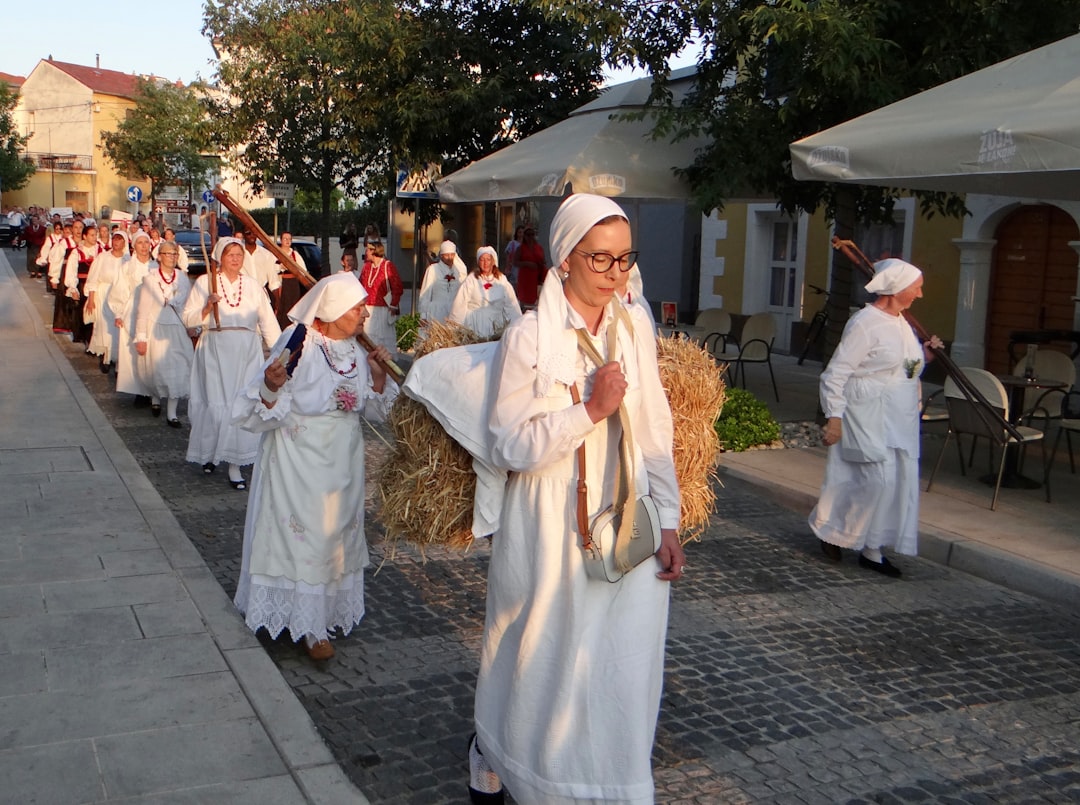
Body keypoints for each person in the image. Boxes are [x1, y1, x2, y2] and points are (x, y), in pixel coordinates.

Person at [469, 194, 684, 805]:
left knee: (621, 660)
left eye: (624, 259)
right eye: (601, 260)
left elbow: (654, 427)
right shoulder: (528, 337)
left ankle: (609, 785)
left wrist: (667, 520)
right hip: (550, 520)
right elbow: (509, 442)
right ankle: (521, 766)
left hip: (626, 513)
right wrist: (586, 411)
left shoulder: (634, 325)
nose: (617, 274)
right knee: (543, 651)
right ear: (565, 260)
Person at [231, 273, 398, 661]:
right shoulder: (299, 344)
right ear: (334, 309)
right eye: (357, 307)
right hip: (298, 462)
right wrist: (272, 387)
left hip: (343, 463)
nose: (364, 314)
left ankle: (320, 614)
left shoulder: (356, 351)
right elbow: (250, 409)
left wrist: (377, 377)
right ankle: (309, 626)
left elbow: (373, 410)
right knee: (307, 539)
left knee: (336, 538)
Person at [809, 259, 943, 577]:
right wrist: (834, 416)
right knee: (875, 480)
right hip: (865, 412)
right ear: (896, 289)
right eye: (917, 287)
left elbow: (904, 368)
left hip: (900, 417)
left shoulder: (902, 323)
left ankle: (872, 549)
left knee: (892, 482)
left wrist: (925, 356)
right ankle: (832, 529)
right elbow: (836, 373)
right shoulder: (865, 323)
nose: (920, 294)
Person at [182, 238, 281, 489]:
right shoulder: (206, 282)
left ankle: (235, 464)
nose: (236, 259)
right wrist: (206, 308)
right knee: (215, 405)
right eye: (230, 254)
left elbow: (267, 320)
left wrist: (279, 353)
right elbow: (187, 319)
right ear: (219, 257)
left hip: (246, 352)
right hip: (214, 349)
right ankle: (212, 453)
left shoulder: (253, 285)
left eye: (239, 254)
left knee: (241, 405)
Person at [134, 242, 195, 427]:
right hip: (156, 328)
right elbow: (142, 311)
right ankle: (155, 398)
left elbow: (187, 307)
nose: (172, 257)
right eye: (168, 254)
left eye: (175, 254)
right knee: (157, 367)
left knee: (178, 367)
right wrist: (141, 337)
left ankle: (172, 413)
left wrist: (193, 325)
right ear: (159, 256)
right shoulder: (150, 280)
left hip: (176, 328)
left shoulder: (183, 279)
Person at [449, 246, 522, 336]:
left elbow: (511, 305)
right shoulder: (472, 279)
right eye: (482, 259)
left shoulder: (501, 280)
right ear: (478, 262)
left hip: (496, 327)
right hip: (474, 326)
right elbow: (460, 303)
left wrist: (518, 326)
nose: (485, 263)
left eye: (488, 259)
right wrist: (454, 328)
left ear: (493, 261)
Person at [85, 230, 128, 374]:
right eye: (114, 239)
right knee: (105, 327)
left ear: (124, 242)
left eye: (120, 239)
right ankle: (106, 358)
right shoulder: (102, 257)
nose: (116, 242)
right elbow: (93, 279)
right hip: (103, 296)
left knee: (119, 330)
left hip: (121, 297)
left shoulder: (128, 259)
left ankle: (118, 361)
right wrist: (91, 300)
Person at [62, 224, 105, 346]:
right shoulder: (77, 252)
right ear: (85, 236)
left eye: (95, 235)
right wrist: (73, 288)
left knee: (96, 311)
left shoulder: (101, 251)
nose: (94, 237)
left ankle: (93, 339)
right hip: (82, 284)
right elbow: (71, 271)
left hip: (97, 286)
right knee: (83, 312)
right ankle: (84, 337)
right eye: (91, 235)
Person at [358, 239, 403, 353]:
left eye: (367, 250)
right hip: (368, 308)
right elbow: (360, 285)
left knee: (382, 340)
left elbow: (397, 287)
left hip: (383, 309)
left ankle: (385, 367)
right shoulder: (366, 267)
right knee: (368, 339)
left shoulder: (388, 266)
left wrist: (393, 305)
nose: (366, 252)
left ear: (374, 251)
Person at [418, 240, 467, 324]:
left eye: (452, 255)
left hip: (453, 312)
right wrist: (423, 315)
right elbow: (425, 294)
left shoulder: (459, 270)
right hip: (436, 312)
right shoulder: (433, 269)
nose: (450, 258)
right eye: (447, 255)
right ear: (441, 256)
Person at [511, 225, 545, 308]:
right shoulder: (521, 248)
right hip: (525, 277)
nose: (530, 237)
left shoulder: (539, 248)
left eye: (532, 234)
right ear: (524, 236)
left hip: (536, 276)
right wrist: (527, 264)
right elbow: (515, 262)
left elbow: (543, 261)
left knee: (537, 298)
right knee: (524, 298)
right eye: (528, 235)